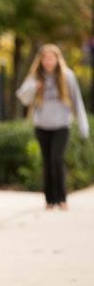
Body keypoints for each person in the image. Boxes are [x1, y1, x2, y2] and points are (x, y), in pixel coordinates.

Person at [16, 43, 89, 210]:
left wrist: (83, 126)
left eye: (51, 58)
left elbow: (77, 101)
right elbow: (23, 97)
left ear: (57, 59)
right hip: (42, 126)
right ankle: (49, 200)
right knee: (47, 162)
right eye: (45, 58)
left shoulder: (67, 76)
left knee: (57, 160)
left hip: (61, 125)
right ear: (40, 60)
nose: (48, 61)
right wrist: (35, 86)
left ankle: (61, 198)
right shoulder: (36, 77)